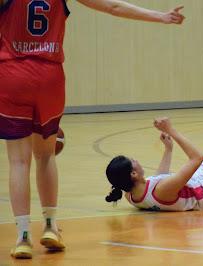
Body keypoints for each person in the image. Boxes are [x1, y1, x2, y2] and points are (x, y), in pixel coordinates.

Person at [0, 0, 185, 259]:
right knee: (45, 156)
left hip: (13, 73)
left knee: (19, 161)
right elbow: (112, 6)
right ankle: (51, 225)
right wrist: (161, 16)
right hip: (50, 76)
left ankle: (22, 236)